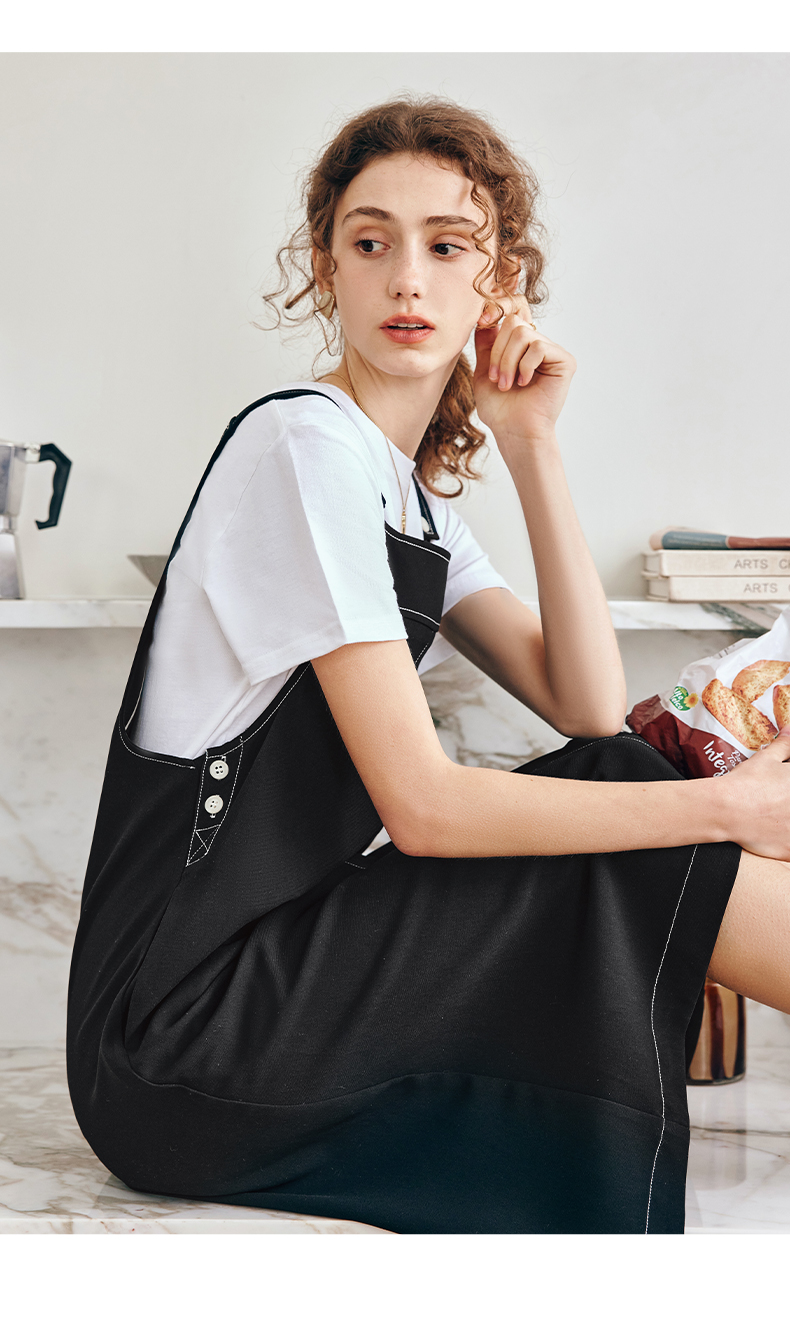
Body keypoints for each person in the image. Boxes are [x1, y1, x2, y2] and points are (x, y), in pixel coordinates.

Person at [67, 97, 790, 1235]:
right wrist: (726, 805)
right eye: (372, 243)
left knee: (611, 767)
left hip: (282, 979)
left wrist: (532, 441)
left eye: (448, 247)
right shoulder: (302, 446)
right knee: (640, 803)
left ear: (497, 280)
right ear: (327, 269)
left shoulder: (399, 494)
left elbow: (588, 705)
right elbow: (426, 808)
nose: (408, 278)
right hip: (178, 1044)